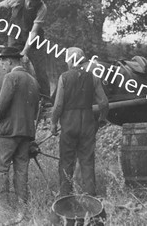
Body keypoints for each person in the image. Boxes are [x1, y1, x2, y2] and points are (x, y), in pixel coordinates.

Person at [0, 46, 40, 205]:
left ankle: (2, 207)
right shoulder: (33, 80)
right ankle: (23, 205)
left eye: (2, 62)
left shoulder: (11, 78)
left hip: (8, 132)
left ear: (9, 61)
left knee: (0, 170)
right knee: (21, 170)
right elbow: (35, 108)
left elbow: (0, 106)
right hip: (27, 132)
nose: (2, 66)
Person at [50, 47, 109, 197]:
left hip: (69, 124)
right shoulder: (94, 77)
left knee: (66, 162)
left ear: (70, 61)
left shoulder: (64, 77)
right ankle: (91, 197)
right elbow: (103, 102)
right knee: (87, 162)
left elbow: (57, 106)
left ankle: (65, 197)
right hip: (88, 123)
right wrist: (102, 118)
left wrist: (53, 123)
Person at [0, 0, 50, 101]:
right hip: (15, 35)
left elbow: (34, 31)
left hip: (34, 40)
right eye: (28, 1)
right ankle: (11, 96)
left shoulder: (42, 8)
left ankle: (45, 100)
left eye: (33, 3)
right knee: (10, 62)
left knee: (40, 70)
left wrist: (25, 51)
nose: (29, 5)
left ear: (39, 1)